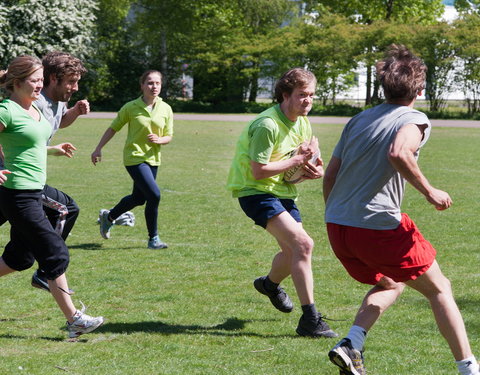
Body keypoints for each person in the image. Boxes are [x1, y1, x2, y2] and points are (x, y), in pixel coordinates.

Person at [324, 45, 479, 375]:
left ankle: (351, 344)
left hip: (338, 226)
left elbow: (332, 174)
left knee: (390, 283)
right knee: (440, 289)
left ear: (384, 86)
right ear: (421, 89)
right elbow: (398, 152)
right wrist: (430, 191)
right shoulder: (414, 118)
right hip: (376, 227)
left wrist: (338, 214)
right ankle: (469, 369)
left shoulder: (358, 119)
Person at [226, 68, 337, 338]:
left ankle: (269, 284)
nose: (308, 100)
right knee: (303, 244)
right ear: (285, 95)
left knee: (293, 252)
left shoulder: (303, 122)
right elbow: (258, 171)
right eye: (301, 95)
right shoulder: (267, 124)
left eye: (311, 95)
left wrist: (312, 170)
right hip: (255, 191)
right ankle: (310, 318)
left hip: (284, 192)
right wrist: (298, 162)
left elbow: (296, 166)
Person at [0, 55, 103, 338]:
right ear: (18, 82)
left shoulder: (32, 108)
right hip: (17, 194)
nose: (40, 85)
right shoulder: (7, 109)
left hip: (32, 191)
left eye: (41, 80)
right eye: (35, 80)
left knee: (20, 258)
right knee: (54, 252)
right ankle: (75, 320)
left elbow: (26, 143)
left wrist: (52, 149)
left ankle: (72, 317)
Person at [28, 51, 89, 293]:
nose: (74, 88)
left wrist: (75, 111)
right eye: (71, 82)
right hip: (14, 179)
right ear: (53, 78)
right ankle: (46, 271)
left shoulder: (58, 101)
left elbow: (59, 121)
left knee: (19, 257)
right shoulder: (34, 102)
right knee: (67, 208)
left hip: (24, 179)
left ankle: (44, 270)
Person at [91, 70, 173, 249]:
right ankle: (153, 239)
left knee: (138, 198)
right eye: (150, 83)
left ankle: (109, 217)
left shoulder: (166, 108)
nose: (154, 87)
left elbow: (169, 135)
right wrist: (98, 149)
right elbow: (113, 128)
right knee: (154, 195)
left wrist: (160, 140)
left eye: (157, 83)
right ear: (142, 85)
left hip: (153, 159)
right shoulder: (131, 107)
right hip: (134, 157)